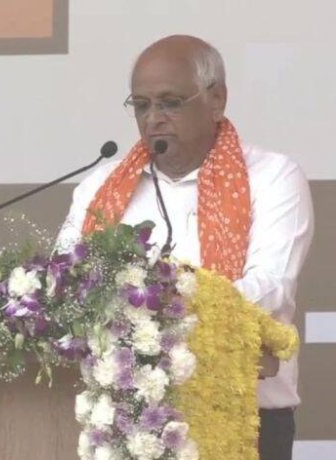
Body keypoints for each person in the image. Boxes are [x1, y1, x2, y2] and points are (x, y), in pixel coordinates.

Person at [56, 35, 314, 460]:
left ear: (216, 100)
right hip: (122, 421)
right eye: (141, 106)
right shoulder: (100, 187)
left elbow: (270, 288)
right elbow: (63, 280)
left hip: (242, 417)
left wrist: (163, 303)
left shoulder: (272, 177)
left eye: (170, 103)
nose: (153, 118)